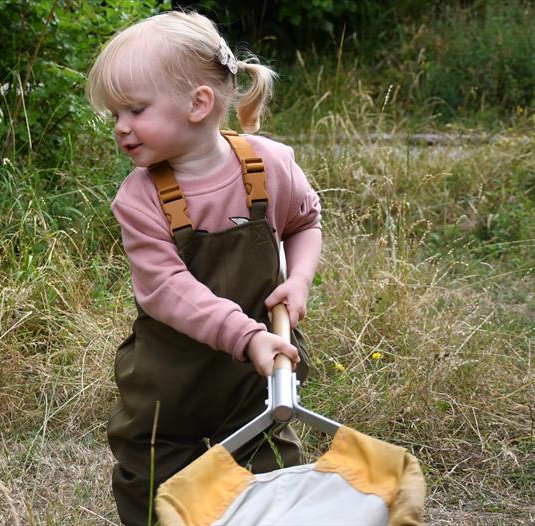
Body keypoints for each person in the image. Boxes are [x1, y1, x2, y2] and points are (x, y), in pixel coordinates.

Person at [86, 10, 323, 525]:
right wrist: (247, 336)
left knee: (274, 480)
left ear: (199, 103)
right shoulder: (140, 199)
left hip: (253, 380)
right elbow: (168, 289)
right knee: (153, 477)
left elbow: (305, 221)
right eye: (115, 116)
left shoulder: (269, 166)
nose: (122, 127)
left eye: (135, 110)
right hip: (170, 381)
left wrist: (299, 280)